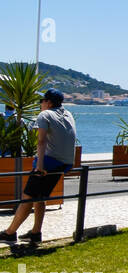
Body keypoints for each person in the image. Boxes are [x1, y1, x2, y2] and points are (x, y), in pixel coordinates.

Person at [2, 89, 77, 245]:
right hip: (65, 162)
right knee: (40, 196)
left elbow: (41, 141)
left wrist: (40, 166)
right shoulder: (68, 114)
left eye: (42, 101)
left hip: (49, 162)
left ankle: (10, 233)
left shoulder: (45, 115)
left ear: (48, 102)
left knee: (27, 197)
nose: (40, 104)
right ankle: (36, 233)